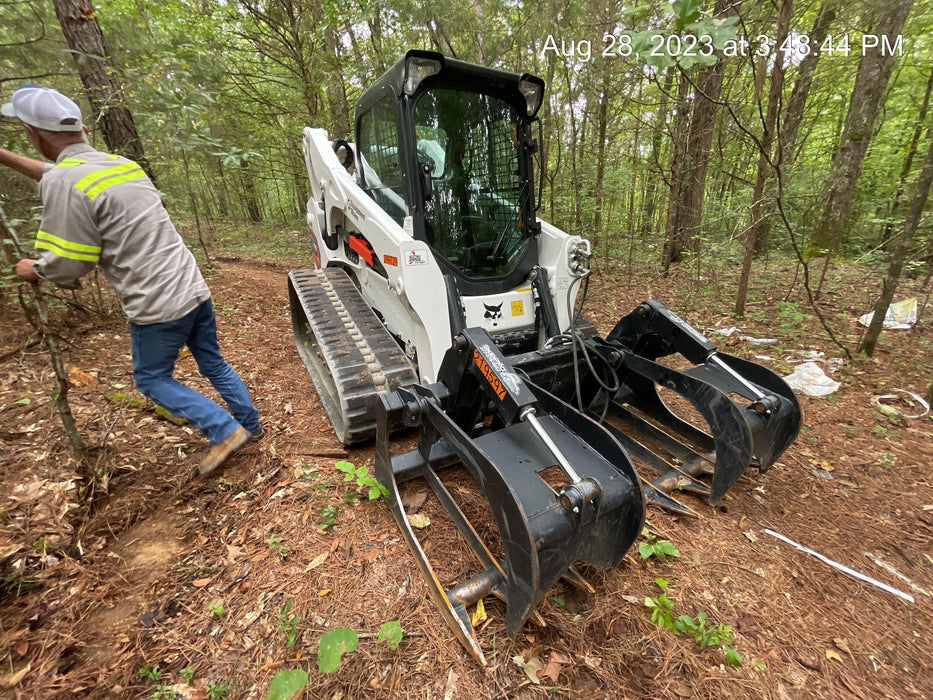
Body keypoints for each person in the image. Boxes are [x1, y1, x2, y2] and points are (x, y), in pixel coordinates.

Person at [1, 84, 262, 475]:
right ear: (83, 129)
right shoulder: (120, 165)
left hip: (156, 305)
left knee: (152, 379)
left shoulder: (66, 182)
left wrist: (35, 269)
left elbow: (71, 263)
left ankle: (225, 430)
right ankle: (251, 425)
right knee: (213, 361)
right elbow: (57, 173)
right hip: (191, 287)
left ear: (32, 133)